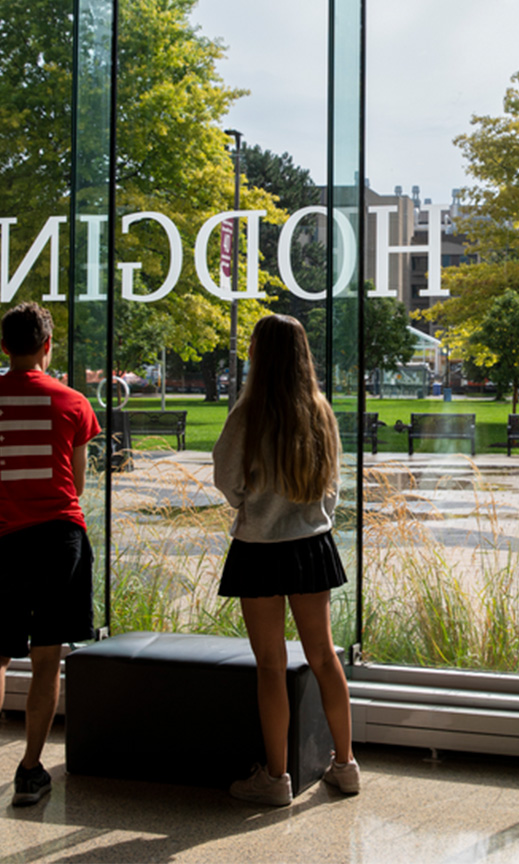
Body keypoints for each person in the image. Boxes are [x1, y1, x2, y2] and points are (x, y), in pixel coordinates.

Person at [0, 302, 101, 806]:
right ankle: (30, 772)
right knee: (47, 658)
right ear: (47, 346)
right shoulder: (74, 402)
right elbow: (76, 482)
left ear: (4, 345)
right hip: (61, 539)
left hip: (7, 541)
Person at [213, 314, 359, 807]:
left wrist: (251, 504)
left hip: (259, 548)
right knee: (324, 656)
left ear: (258, 353)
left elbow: (226, 478)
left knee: (271, 665)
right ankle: (345, 764)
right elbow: (333, 486)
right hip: (311, 545)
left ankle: (276, 779)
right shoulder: (319, 410)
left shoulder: (247, 413)